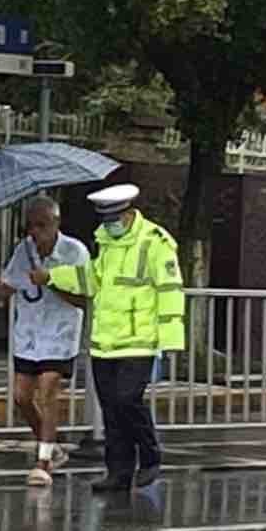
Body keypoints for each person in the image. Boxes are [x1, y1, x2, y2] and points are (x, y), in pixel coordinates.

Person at [29, 183, 185, 492]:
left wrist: (169, 342)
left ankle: (151, 455)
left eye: (114, 219)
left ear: (128, 214)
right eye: (105, 220)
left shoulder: (155, 242)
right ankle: (119, 472)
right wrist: (52, 276)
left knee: (128, 400)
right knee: (111, 409)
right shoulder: (107, 244)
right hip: (104, 344)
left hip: (139, 340)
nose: (109, 225)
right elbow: (91, 279)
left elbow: (170, 291)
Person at [0, 196, 89, 488]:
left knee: (48, 390)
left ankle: (43, 461)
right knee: (22, 396)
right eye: (31, 226)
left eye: (42, 225)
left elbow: (84, 299)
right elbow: (6, 289)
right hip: (29, 334)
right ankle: (52, 444)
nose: (35, 232)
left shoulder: (75, 252)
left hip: (59, 334)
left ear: (56, 224)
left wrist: (50, 281)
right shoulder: (22, 251)